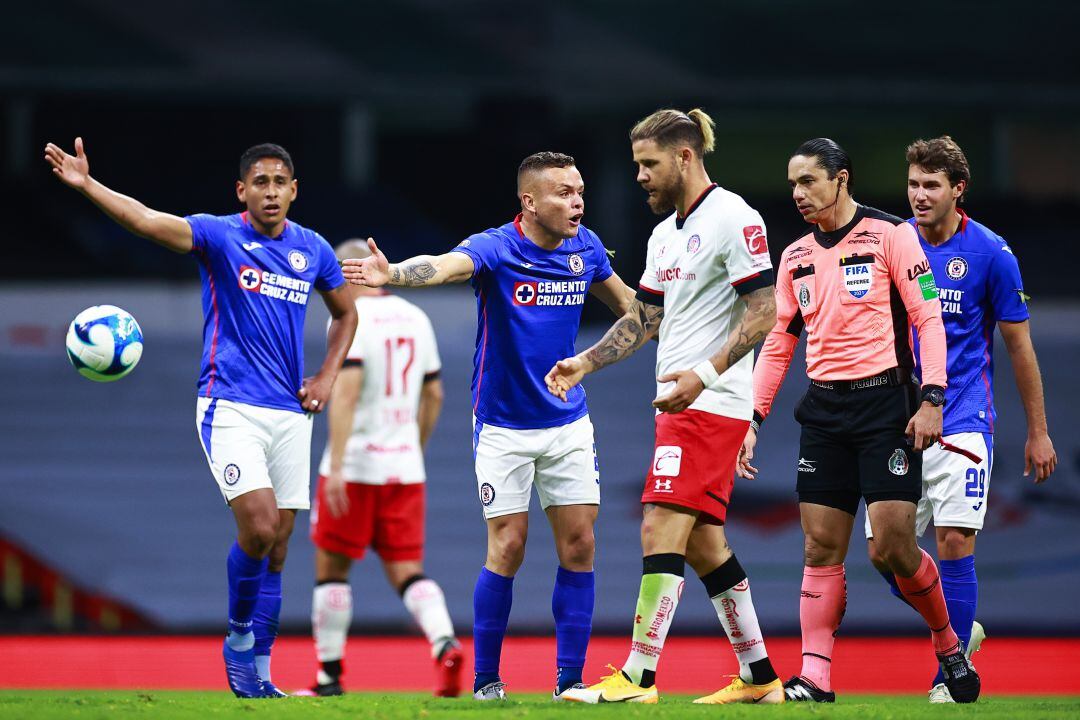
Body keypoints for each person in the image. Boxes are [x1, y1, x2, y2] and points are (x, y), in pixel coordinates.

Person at [44, 139, 357, 698]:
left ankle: (261, 676)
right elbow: (144, 221)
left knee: (280, 547)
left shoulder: (313, 249)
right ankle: (237, 640)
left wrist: (328, 376)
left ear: (294, 191)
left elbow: (346, 313)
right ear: (242, 191)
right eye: (259, 182)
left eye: (279, 182)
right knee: (259, 528)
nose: (270, 192)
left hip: (289, 409)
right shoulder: (218, 235)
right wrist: (88, 184)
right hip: (229, 403)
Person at [341, 152, 637, 701]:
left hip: (567, 420)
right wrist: (395, 274)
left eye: (579, 191)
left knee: (580, 544)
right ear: (529, 202)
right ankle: (486, 681)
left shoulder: (586, 248)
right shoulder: (496, 247)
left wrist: (594, 359)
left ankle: (569, 682)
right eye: (563, 193)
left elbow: (635, 311)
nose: (577, 202)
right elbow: (445, 265)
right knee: (508, 546)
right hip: (502, 425)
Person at [545, 108, 784, 705]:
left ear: (685, 156)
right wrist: (584, 362)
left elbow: (765, 311)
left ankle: (638, 676)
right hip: (679, 405)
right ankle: (760, 677)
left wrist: (704, 376)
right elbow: (644, 318)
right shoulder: (663, 235)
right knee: (703, 542)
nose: (640, 177)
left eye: (648, 164)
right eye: (636, 166)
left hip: (712, 403)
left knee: (658, 524)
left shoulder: (734, 217)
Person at [745, 137, 980, 703]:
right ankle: (816, 676)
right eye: (793, 184)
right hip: (824, 412)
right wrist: (751, 418)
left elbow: (928, 318)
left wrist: (932, 398)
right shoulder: (795, 256)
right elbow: (779, 344)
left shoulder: (893, 236)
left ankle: (949, 644)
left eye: (809, 181)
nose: (798, 194)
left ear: (841, 179)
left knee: (895, 547)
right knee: (818, 547)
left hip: (886, 409)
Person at [864, 136, 1057, 703]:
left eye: (932, 186)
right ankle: (954, 628)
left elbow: (1020, 348)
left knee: (953, 539)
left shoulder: (991, 253)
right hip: (898, 418)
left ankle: (948, 677)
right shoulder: (893, 245)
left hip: (963, 417)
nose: (919, 196)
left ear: (958, 190)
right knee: (884, 553)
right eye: (913, 184)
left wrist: (1038, 431)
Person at [305, 239, 462, 698]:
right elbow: (434, 395)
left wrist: (335, 463)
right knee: (408, 571)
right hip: (404, 467)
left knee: (332, 571)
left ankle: (328, 678)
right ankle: (444, 642)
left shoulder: (351, 320)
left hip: (354, 465)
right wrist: (414, 446)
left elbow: (347, 390)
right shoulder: (416, 317)